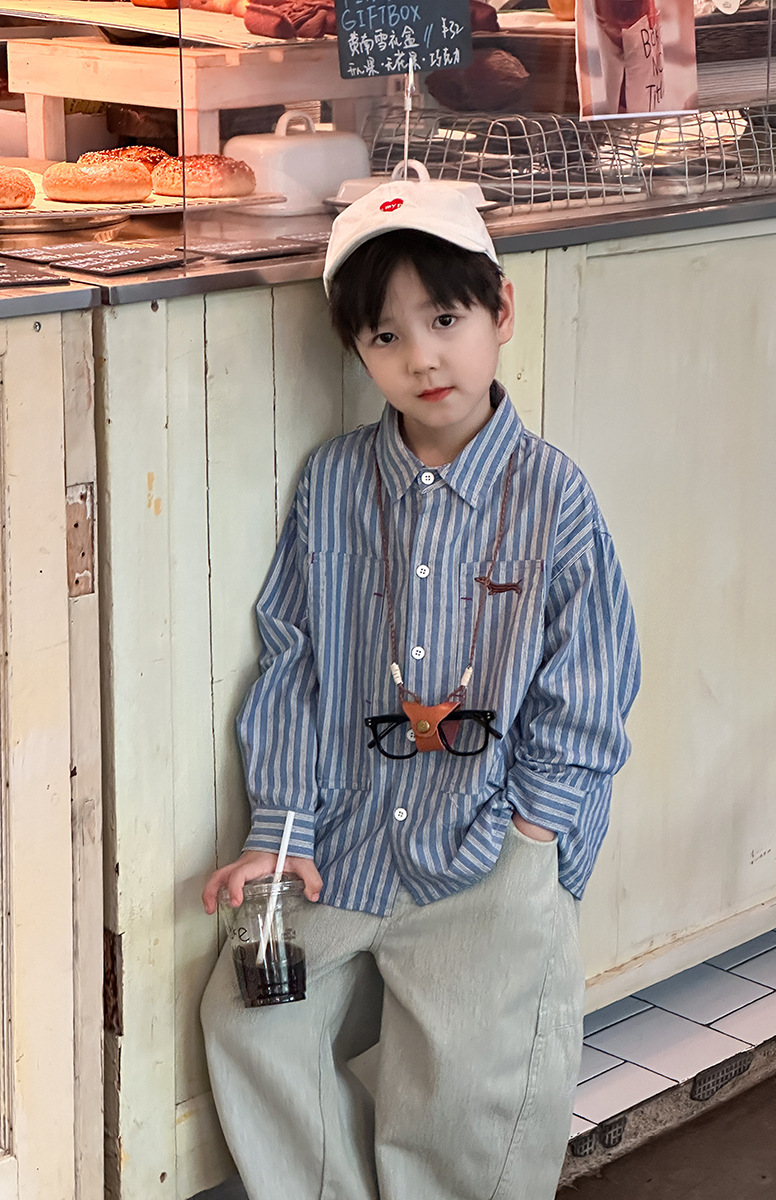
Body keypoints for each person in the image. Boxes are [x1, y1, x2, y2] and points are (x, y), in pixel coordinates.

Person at [200, 179, 641, 1200]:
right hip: (345, 843)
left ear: (500, 311)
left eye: (445, 320)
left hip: (489, 847)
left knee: (461, 1103)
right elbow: (293, 657)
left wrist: (535, 830)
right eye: (386, 336)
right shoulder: (334, 485)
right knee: (248, 1015)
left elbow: (592, 677)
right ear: (358, 351)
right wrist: (282, 827)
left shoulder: (553, 495)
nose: (422, 359)